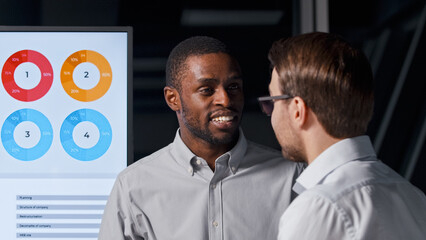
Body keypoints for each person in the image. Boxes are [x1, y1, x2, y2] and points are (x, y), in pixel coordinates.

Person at [98, 36, 302, 240]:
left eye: (233, 87)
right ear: (173, 99)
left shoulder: (291, 176)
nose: (225, 99)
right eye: (207, 90)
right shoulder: (133, 186)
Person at [258, 32, 426, 239]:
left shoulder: (319, 207)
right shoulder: (414, 197)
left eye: (272, 102)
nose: (271, 114)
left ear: (297, 110)